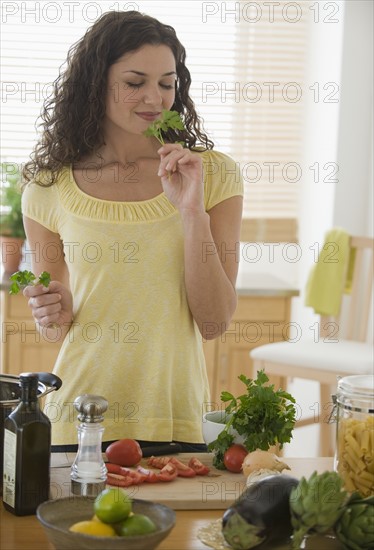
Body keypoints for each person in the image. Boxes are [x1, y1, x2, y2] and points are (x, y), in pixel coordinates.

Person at [21, 10, 243, 452]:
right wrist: (53, 312)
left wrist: (191, 211)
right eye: (135, 82)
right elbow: (54, 328)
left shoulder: (212, 175)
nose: (155, 98)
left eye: (167, 82)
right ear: (94, 85)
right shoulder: (47, 186)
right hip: (78, 419)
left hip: (174, 415)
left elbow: (215, 321)